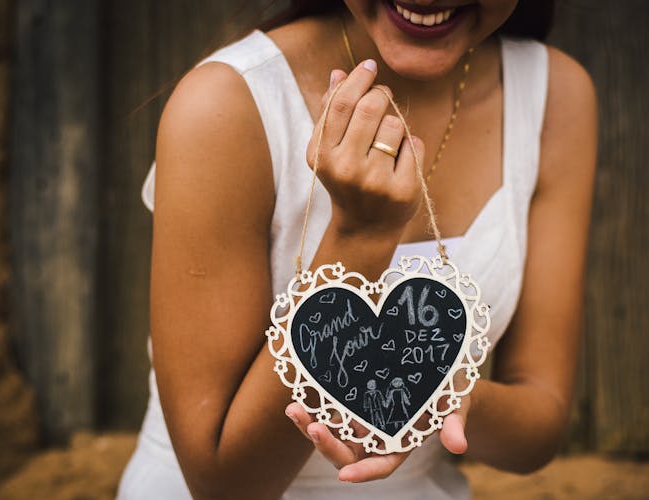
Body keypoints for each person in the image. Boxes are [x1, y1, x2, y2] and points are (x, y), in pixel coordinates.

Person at [118, 0, 597, 498]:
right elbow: (224, 485)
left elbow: (538, 434)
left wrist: (441, 387)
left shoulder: (554, 96)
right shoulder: (226, 103)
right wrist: (359, 238)